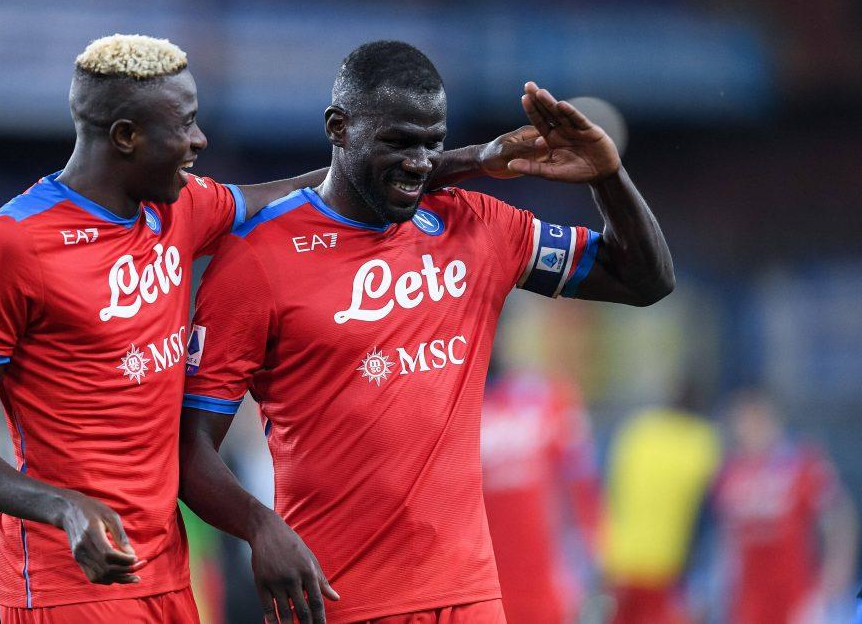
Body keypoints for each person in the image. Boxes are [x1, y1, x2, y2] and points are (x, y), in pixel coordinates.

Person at [0, 33, 539, 624]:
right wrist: (62, 508)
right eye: (183, 124)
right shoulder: (8, 249)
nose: (199, 139)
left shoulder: (180, 210)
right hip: (69, 580)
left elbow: (322, 191)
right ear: (127, 136)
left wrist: (467, 163)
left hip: (164, 572)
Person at [180, 40, 675, 624]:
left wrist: (609, 176)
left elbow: (643, 279)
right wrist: (260, 527)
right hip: (334, 600)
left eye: (432, 144)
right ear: (338, 128)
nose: (418, 163)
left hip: (469, 599)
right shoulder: (259, 260)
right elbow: (190, 448)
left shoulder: (477, 227)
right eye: (397, 142)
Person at [714, 389, 857, 624]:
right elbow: (727, 538)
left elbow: (840, 516)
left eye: (754, 419)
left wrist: (837, 570)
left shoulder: (800, 462)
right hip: (749, 600)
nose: (747, 429)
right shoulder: (731, 471)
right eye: (741, 422)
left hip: (795, 595)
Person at [481, 370, 601, 624]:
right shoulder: (458, 406)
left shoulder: (550, 400)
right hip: (486, 592)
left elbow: (583, 486)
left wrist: (590, 560)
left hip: (545, 589)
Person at [600, 382, 721, 624]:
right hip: (664, 569)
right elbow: (709, 512)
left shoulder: (637, 430)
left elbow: (609, 487)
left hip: (619, 562)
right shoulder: (701, 441)